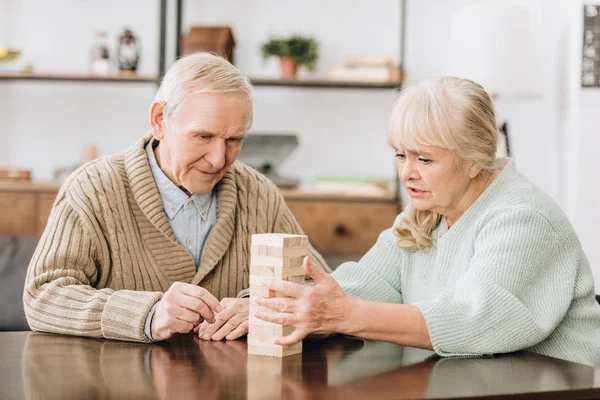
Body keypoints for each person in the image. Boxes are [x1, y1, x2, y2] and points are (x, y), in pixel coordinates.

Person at [254, 76, 600, 366]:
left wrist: (343, 315)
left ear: (475, 159)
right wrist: (282, 307)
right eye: (400, 155)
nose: (407, 173)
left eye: (424, 158)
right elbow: (369, 282)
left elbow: (473, 320)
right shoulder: (426, 210)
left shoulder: (524, 218)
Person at [23, 52, 328, 343]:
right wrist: (148, 315)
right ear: (159, 120)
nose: (219, 159)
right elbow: (43, 296)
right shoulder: (92, 189)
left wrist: (261, 308)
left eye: (234, 140)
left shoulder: (259, 194)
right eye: (203, 137)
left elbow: (324, 292)